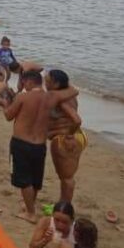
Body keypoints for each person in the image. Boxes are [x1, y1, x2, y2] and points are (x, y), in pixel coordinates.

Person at [2, 70, 78, 222]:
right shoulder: (52, 97)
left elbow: (8, 116)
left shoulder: (23, 96)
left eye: (24, 82)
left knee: (24, 180)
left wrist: (5, 103)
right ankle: (30, 205)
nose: (23, 86)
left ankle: (30, 213)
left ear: (29, 82)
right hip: (39, 145)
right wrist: (64, 81)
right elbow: (74, 90)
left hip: (21, 142)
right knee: (35, 178)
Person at [46, 69, 84, 203]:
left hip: (65, 139)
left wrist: (68, 135)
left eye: (48, 80)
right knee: (67, 176)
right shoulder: (70, 94)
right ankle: (63, 202)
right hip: (79, 136)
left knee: (67, 178)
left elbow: (76, 120)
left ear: (56, 84)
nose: (45, 82)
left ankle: (65, 206)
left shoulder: (59, 99)